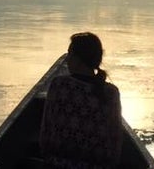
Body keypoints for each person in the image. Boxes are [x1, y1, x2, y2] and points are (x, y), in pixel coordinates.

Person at [39, 32, 123, 169]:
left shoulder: (60, 85)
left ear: (78, 59)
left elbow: (46, 132)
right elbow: (115, 140)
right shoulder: (111, 93)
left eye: (70, 54)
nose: (67, 60)